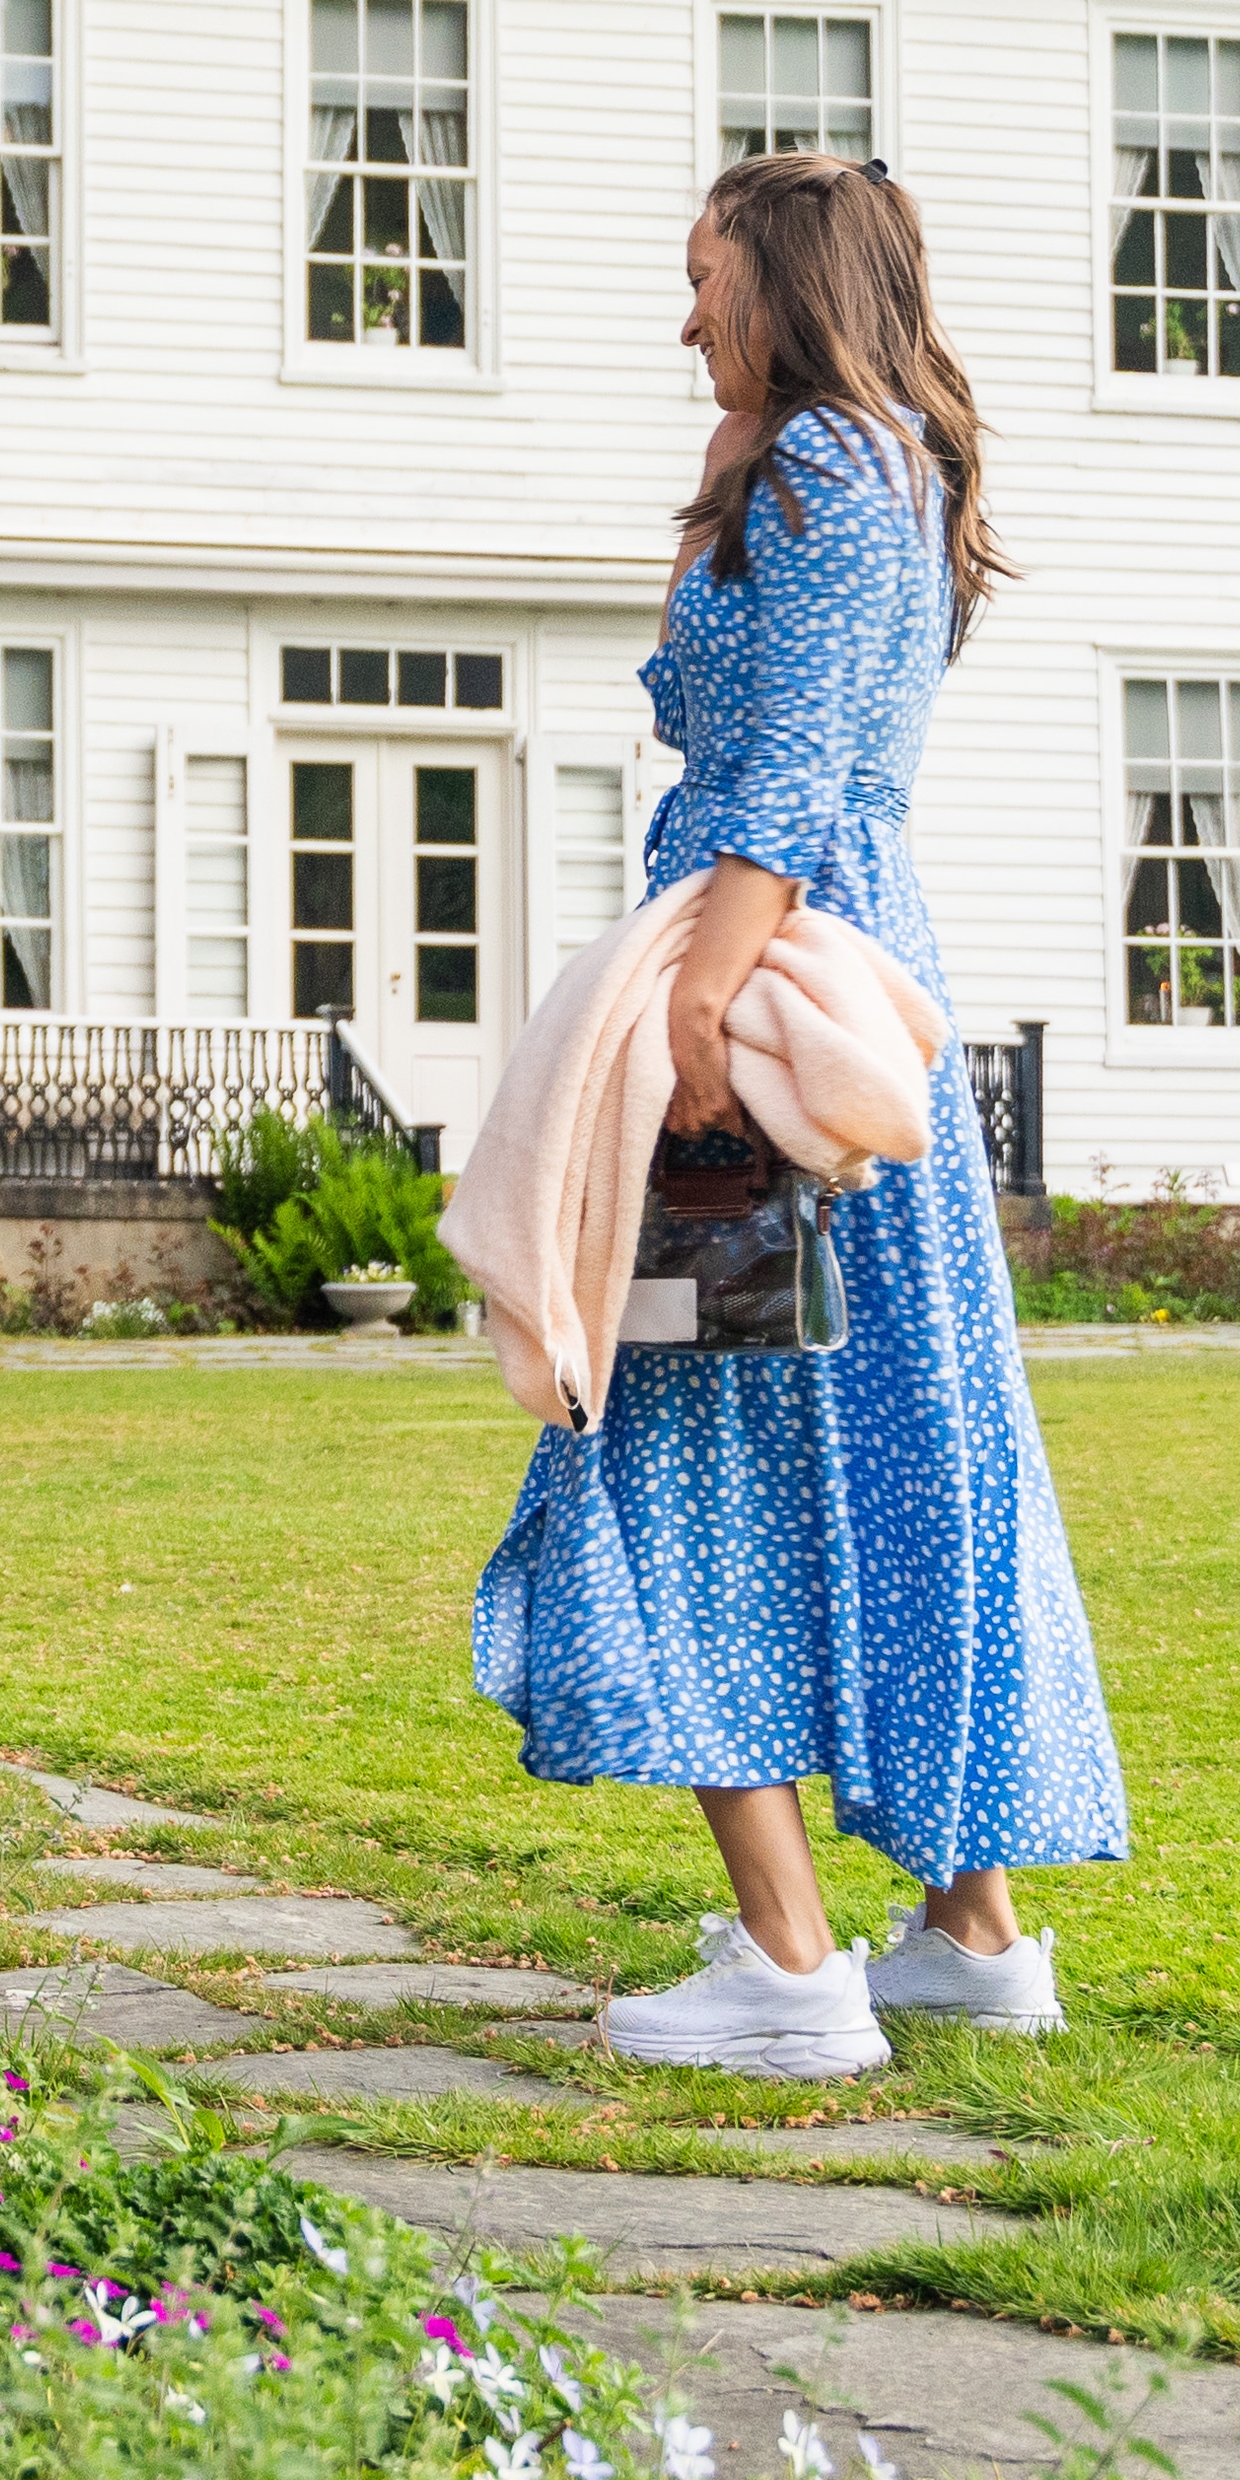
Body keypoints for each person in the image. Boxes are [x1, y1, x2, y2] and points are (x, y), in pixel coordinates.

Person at [470, 149, 1130, 2075]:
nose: (685, 318)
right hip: (838, 993)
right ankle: (970, 1935)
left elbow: (786, 757)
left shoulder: (834, 468)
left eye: (705, 280)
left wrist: (694, 1001)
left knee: (676, 1435)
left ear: (790, 283)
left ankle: (787, 1969)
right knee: (897, 1431)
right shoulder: (855, 468)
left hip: (769, 1020)